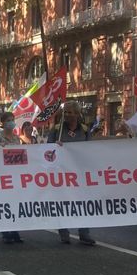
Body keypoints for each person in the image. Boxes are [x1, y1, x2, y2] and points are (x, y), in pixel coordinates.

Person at [47, 101, 96, 246]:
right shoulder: (57, 129)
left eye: (70, 112)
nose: (67, 115)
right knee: (62, 201)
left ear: (77, 113)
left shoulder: (85, 130)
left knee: (82, 202)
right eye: (65, 112)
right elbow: (48, 149)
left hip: (79, 172)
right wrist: (55, 145)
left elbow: (90, 149)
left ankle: (84, 232)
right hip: (62, 173)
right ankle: (64, 232)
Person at [0, 112, 23, 244]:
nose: (11, 122)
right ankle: (5, 232)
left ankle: (15, 231)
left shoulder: (16, 138)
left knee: (16, 203)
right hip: (2, 175)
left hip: (15, 174)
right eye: (8, 120)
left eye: (12, 120)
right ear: (2, 123)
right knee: (5, 203)